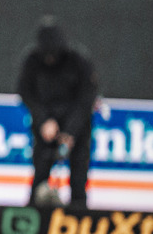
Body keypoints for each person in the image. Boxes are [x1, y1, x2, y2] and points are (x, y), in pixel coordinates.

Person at [16, 18, 98, 210]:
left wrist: (70, 131)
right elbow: (26, 92)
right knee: (40, 172)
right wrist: (44, 120)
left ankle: (78, 219)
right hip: (46, 126)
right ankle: (33, 216)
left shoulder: (78, 61)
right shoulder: (32, 61)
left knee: (78, 176)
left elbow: (86, 99)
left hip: (77, 126)